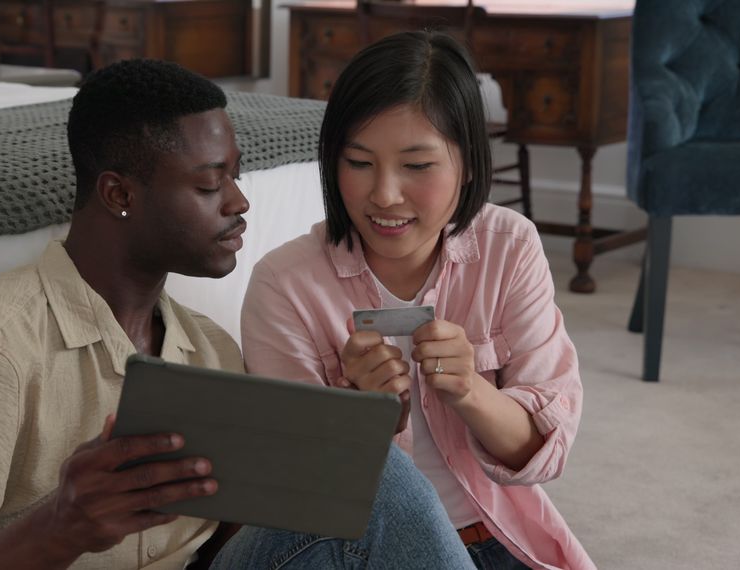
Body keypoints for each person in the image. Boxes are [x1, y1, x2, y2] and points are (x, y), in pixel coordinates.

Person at [0, 58, 474, 569]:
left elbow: (245, 544)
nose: (240, 202)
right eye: (210, 185)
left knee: (363, 472)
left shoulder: (208, 349)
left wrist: (331, 447)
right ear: (120, 195)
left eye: (235, 175)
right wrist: (62, 526)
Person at [240, 31, 594, 570]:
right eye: (358, 162)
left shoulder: (509, 247)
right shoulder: (283, 283)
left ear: (468, 164)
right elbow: (294, 499)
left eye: (418, 165)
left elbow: (544, 454)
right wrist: (367, 418)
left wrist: (470, 390)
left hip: (497, 536)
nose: (384, 194)